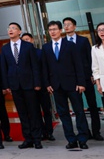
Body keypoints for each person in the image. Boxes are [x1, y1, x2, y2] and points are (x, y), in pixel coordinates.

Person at [40, 21, 90, 150]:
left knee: (79, 112)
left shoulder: (70, 45)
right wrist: (47, 84)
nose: (52, 32)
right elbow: (44, 67)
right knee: (63, 114)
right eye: (50, 29)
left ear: (60, 30)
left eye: (55, 29)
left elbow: (78, 65)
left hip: (73, 84)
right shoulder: (45, 47)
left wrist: (81, 83)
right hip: (56, 86)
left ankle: (83, 138)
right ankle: (71, 139)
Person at [0, 22, 43, 149]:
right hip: (14, 85)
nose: (10, 30)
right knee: (22, 113)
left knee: (33, 112)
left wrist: (37, 83)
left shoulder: (28, 46)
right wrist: (6, 85)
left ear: (19, 32)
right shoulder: (5, 48)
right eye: (9, 28)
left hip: (29, 84)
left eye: (13, 28)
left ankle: (37, 139)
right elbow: (4, 68)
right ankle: (27, 138)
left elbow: (34, 66)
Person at [62, 16, 103, 141]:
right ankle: (85, 132)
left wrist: (93, 75)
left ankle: (96, 132)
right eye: (65, 24)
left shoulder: (83, 40)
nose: (66, 26)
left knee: (92, 105)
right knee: (78, 108)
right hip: (72, 80)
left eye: (69, 24)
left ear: (74, 26)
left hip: (86, 77)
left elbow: (90, 59)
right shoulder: (62, 42)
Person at [21, 33, 55, 142]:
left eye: (27, 39)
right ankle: (39, 132)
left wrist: (46, 84)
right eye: (23, 40)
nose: (25, 41)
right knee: (34, 111)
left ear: (32, 40)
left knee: (46, 110)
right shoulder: (21, 55)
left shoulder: (40, 52)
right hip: (30, 88)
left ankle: (49, 132)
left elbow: (45, 69)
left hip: (43, 86)